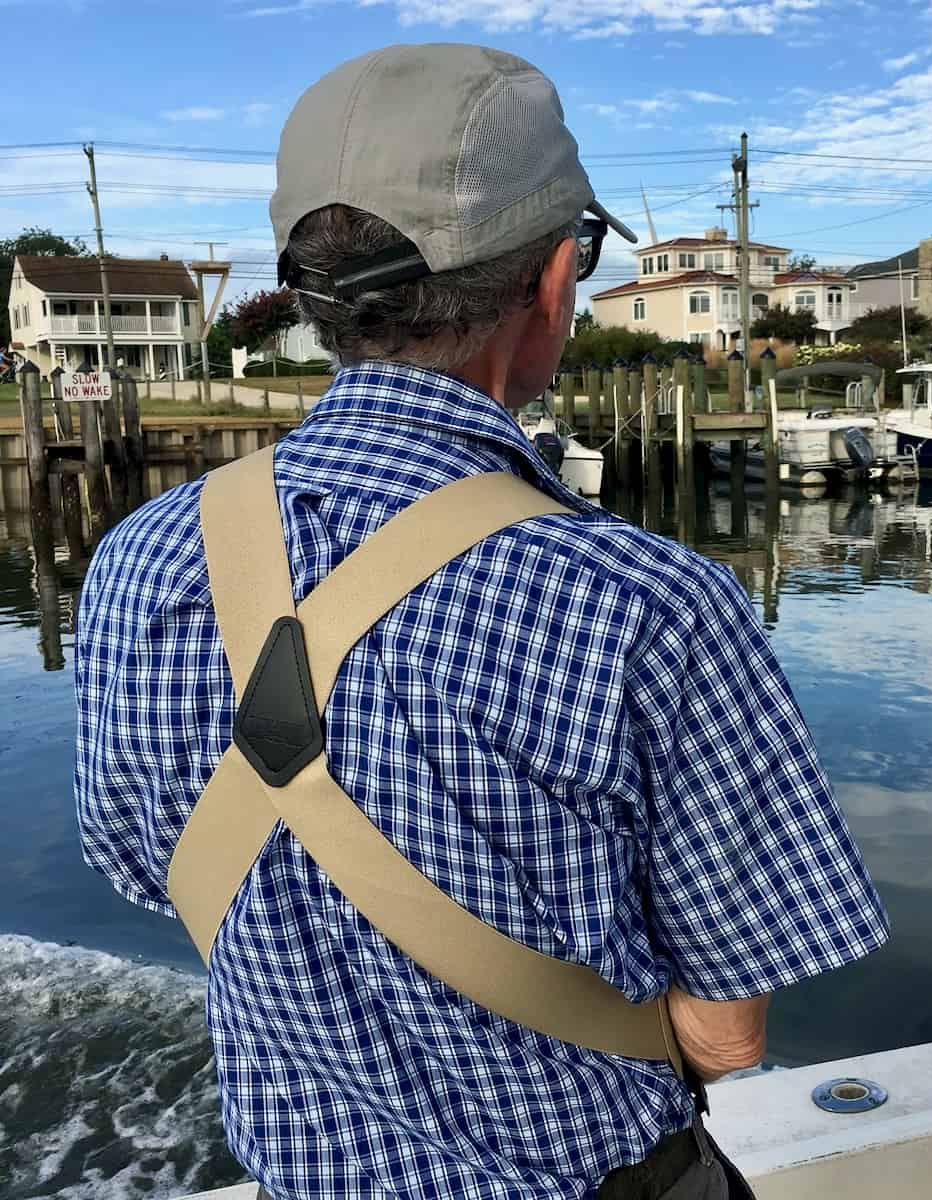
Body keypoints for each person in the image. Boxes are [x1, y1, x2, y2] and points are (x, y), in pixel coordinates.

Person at [75, 44, 888, 1200]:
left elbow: (141, 869)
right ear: (555, 278)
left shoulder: (133, 565)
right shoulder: (649, 605)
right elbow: (727, 1034)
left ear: (309, 294)